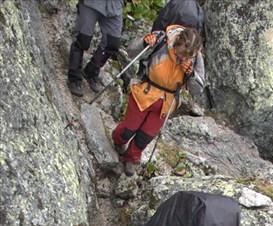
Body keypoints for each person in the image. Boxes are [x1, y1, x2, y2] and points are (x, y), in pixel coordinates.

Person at [112, 25, 205, 176]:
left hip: (166, 103)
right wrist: (144, 42)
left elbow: (197, 90)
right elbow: (131, 51)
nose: (183, 59)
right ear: (176, 43)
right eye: (181, 54)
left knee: (146, 136)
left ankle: (132, 158)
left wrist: (191, 74)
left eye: (188, 57)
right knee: (129, 128)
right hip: (144, 92)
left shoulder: (195, 58)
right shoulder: (161, 40)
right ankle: (118, 140)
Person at [68, 0, 124, 97]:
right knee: (83, 39)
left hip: (115, 7)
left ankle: (91, 71)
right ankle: (74, 77)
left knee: (112, 44)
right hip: (90, 3)